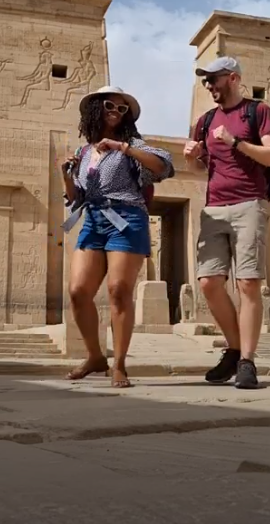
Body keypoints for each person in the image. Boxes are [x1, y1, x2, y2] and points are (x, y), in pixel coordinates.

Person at [62, 86, 174, 388]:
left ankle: (120, 365)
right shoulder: (84, 152)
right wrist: (67, 175)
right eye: (110, 105)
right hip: (93, 220)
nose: (116, 111)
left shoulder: (132, 143)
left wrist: (123, 148)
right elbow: (76, 197)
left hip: (127, 219)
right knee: (77, 292)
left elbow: (163, 165)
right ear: (96, 108)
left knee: (118, 290)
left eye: (122, 109)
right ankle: (95, 357)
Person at [184, 57, 270, 389]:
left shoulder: (257, 112)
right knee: (209, 282)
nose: (210, 86)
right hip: (215, 206)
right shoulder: (205, 120)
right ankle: (234, 347)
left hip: (249, 203)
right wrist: (192, 158)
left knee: (248, 284)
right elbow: (201, 170)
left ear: (233, 78)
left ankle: (246, 361)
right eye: (205, 81)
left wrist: (236, 142)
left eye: (214, 79)